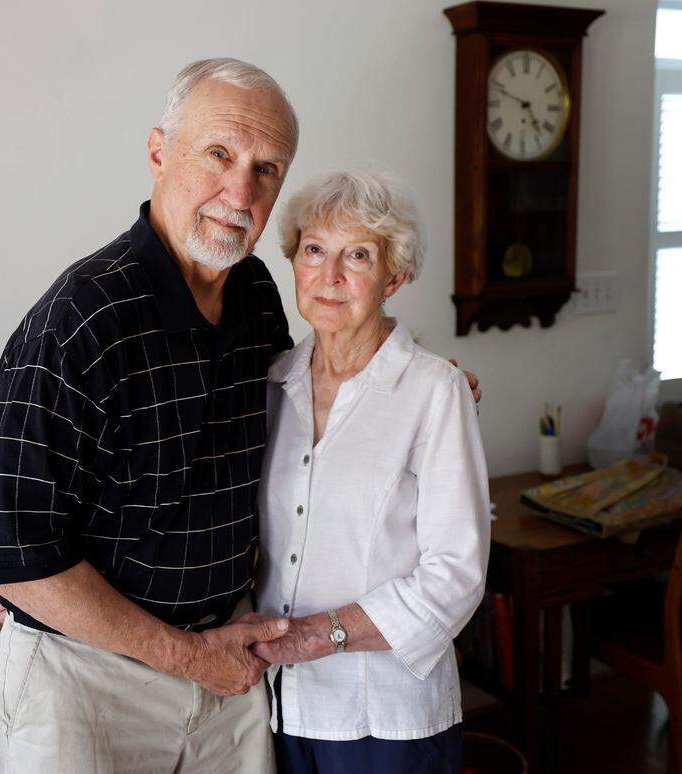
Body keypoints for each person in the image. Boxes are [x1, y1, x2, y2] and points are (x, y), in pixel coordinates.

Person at [0, 58, 482, 772]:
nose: (239, 191)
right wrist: (187, 656)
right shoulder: (79, 318)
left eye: (266, 169)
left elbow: (320, 409)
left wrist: (426, 381)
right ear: (159, 153)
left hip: (232, 673)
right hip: (91, 684)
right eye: (219, 154)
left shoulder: (254, 297)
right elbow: (17, 557)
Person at [246, 170, 492, 774]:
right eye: (314, 251)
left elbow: (456, 574)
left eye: (357, 255)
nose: (329, 277)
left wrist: (315, 635)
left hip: (386, 719)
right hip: (275, 708)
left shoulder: (436, 390)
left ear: (394, 277)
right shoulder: (269, 385)